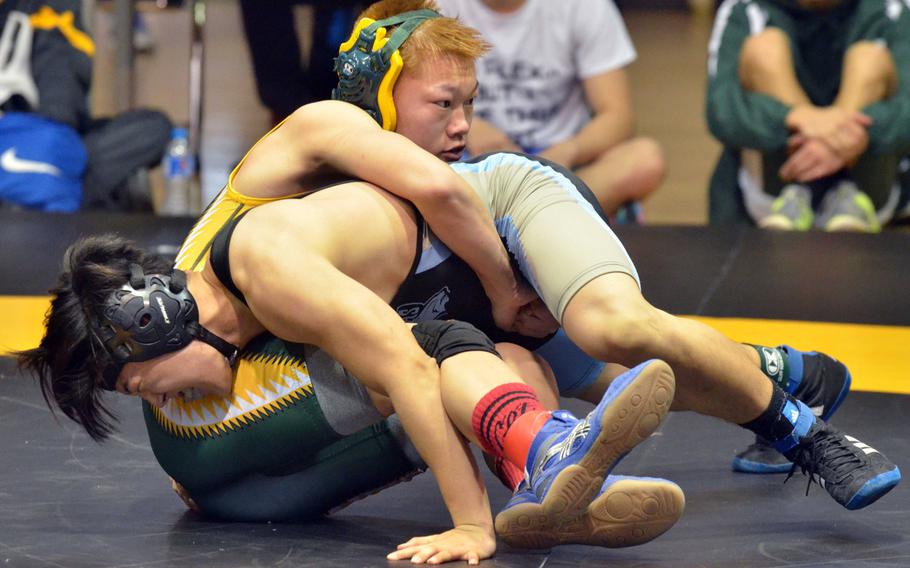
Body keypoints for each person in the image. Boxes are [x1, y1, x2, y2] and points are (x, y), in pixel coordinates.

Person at [324, 0, 900, 510]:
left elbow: (442, 191)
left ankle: (808, 437)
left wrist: (505, 288)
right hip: (475, 314)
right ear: (376, 102)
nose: (464, 126)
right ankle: (790, 371)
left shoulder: (457, 177)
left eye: (469, 104)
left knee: (616, 327)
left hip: (513, 205)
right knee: (633, 381)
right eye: (445, 104)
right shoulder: (320, 190)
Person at [20, 223, 681, 564]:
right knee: (484, 359)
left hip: (473, 260)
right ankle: (547, 464)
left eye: (142, 387)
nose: (157, 403)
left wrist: (471, 527)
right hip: (456, 324)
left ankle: (548, 452)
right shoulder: (218, 353)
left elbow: (415, 360)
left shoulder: (261, 271)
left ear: (155, 327)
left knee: (464, 353)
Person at [431, 0, 665, 221]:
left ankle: (494, 221)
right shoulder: (433, 8)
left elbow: (618, 116)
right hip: (468, 159)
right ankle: (547, 218)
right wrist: (470, 129)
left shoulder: (584, 6)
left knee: (646, 159)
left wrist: (567, 152)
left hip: (558, 167)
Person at [706, 0, 910, 232]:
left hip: (867, 187)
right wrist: (793, 116)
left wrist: (858, 133)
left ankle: (846, 191)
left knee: (869, 59)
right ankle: (797, 192)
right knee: (765, 49)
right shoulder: (745, 8)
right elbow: (720, 110)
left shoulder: (891, 9)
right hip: (776, 187)